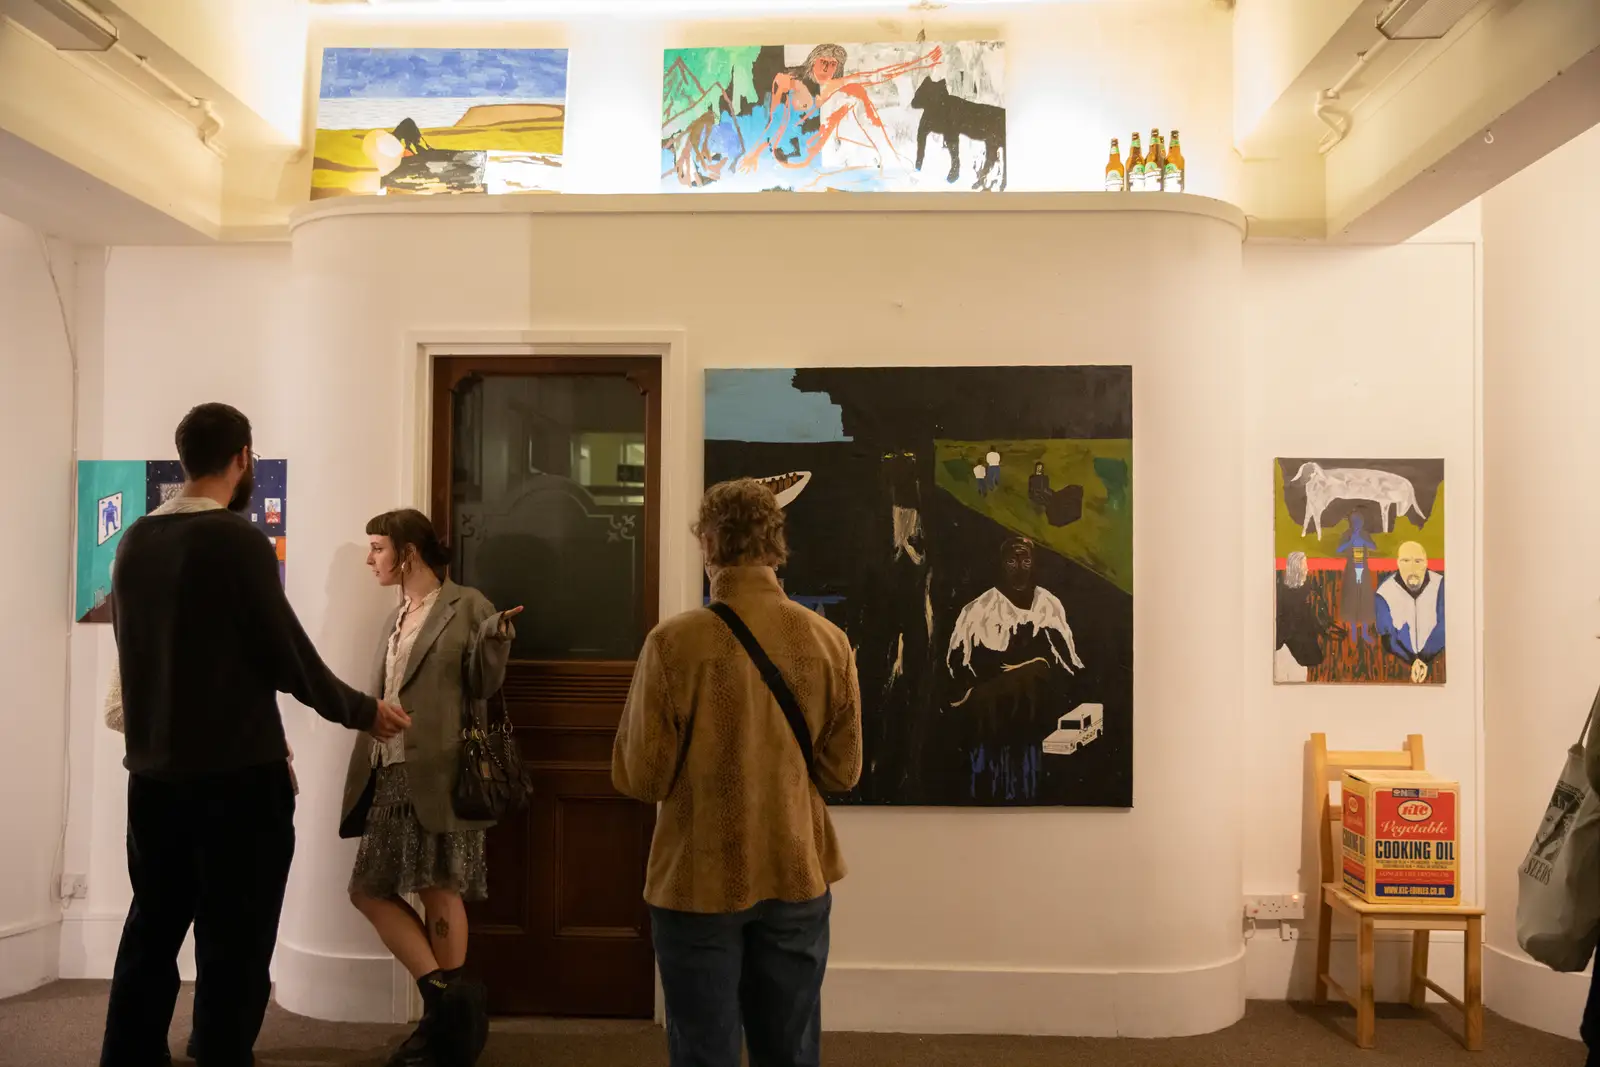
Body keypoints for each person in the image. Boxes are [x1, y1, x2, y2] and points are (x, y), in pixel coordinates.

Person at [100, 402, 410, 1067]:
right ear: (243, 457)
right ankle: (217, 1050)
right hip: (237, 779)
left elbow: (143, 658)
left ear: (185, 457)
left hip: (152, 778)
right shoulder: (237, 541)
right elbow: (285, 655)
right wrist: (363, 710)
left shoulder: (134, 541)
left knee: (152, 925)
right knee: (236, 934)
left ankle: (128, 1054)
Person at [612, 478, 862, 1067]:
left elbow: (642, 778)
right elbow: (842, 772)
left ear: (708, 542)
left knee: (705, 1049)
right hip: (795, 869)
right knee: (790, 1050)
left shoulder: (673, 643)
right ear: (776, 542)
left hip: (696, 880)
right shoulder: (829, 642)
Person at [339, 509, 521, 1067]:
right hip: (387, 770)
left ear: (408, 553)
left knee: (440, 888)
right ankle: (447, 1006)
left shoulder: (468, 605)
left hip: (442, 772)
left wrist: (496, 641)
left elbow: (483, 685)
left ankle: (442, 1028)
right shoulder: (397, 615)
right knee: (369, 890)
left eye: (378, 548)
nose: (370, 559)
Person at [1374, 539, 1446, 683]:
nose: (1412, 568)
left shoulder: (1440, 585)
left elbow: (1444, 625)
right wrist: (1412, 660)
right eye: (1406, 561)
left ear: (1426, 563)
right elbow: (1388, 637)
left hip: (1437, 659)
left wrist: (1424, 658)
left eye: (1418, 561)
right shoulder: (1384, 592)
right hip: (1399, 664)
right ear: (1398, 563)